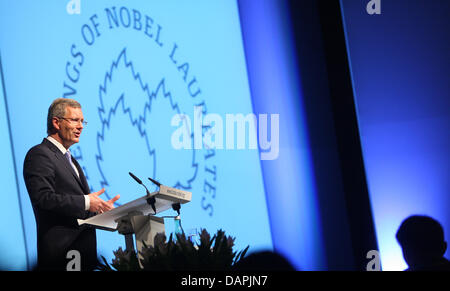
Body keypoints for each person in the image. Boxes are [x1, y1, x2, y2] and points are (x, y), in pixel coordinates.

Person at [23, 98, 120, 270]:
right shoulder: (39, 154)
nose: (81, 126)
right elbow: (43, 198)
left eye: (82, 121)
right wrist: (87, 202)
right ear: (56, 123)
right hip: (62, 256)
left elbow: (75, 209)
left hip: (82, 254)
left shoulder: (70, 159)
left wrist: (101, 213)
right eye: (75, 120)